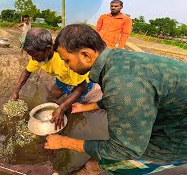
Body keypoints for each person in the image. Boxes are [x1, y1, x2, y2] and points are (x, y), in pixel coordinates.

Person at [45, 24, 187, 174]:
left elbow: (124, 150)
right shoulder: (118, 59)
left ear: (86, 55)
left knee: (106, 163)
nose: (66, 67)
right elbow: (127, 100)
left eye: (67, 60)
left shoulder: (121, 83)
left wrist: (64, 142)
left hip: (174, 141)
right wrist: (90, 106)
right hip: (174, 115)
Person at [11, 27, 95, 130]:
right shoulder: (38, 57)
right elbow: (27, 71)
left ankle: (67, 127)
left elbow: (82, 87)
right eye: (31, 56)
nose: (33, 59)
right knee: (50, 98)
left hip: (81, 83)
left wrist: (62, 107)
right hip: (63, 78)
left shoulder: (65, 59)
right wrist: (16, 90)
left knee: (71, 109)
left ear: (48, 48)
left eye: (36, 55)